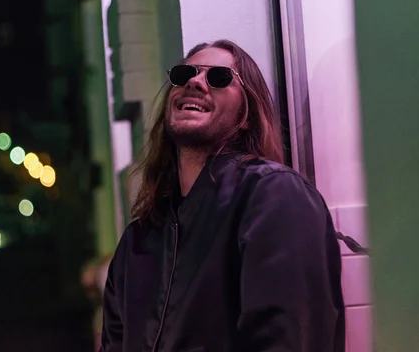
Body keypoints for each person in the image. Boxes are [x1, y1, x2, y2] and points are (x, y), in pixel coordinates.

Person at [100, 40, 345, 351]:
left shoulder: (274, 195)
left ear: (246, 116)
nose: (194, 81)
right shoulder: (138, 240)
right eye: (183, 73)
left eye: (218, 77)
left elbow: (288, 339)